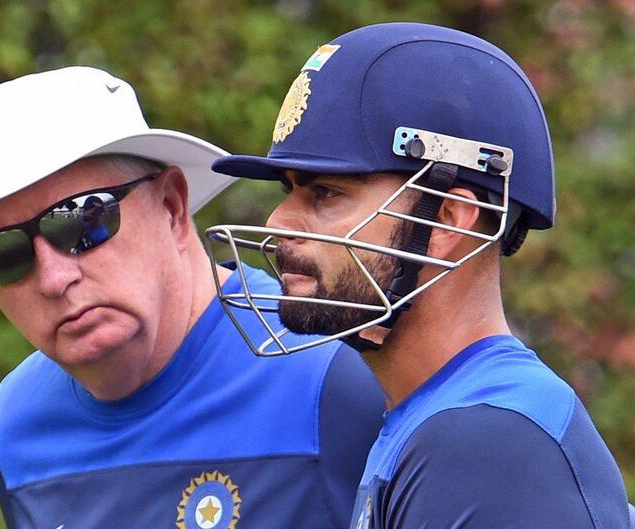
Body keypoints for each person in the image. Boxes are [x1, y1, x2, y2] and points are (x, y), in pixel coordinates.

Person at [0, 66, 386, 529]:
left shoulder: (332, 367)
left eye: (84, 220)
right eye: (4, 255)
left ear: (173, 208)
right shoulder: (19, 424)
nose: (53, 277)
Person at [207, 23, 631, 528]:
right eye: (288, 190)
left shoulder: (483, 443)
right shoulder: (435, 421)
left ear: (448, 220)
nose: (278, 223)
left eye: (326, 192)